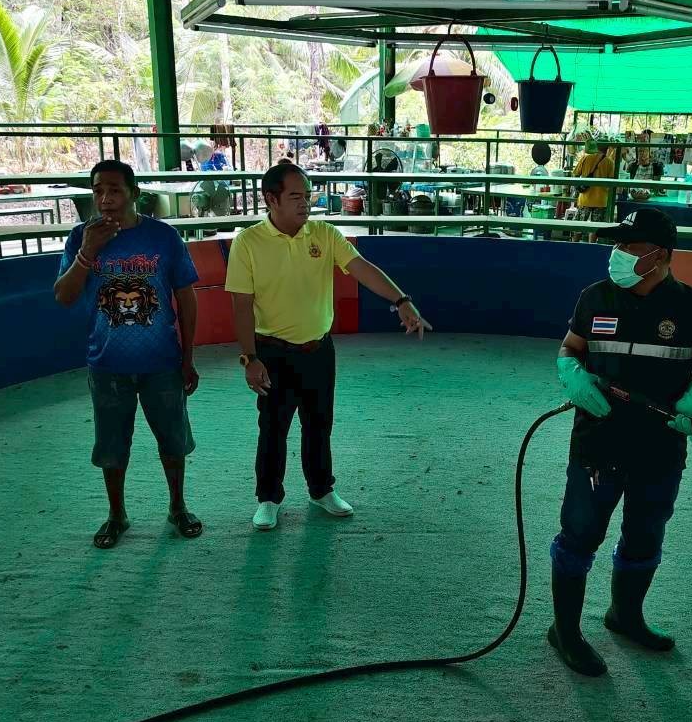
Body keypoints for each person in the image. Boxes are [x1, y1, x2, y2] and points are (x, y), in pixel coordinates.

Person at [548, 207, 692, 676]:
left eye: (629, 246)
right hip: (597, 444)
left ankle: (625, 615)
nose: (618, 253)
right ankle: (565, 630)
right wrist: (571, 373)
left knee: (645, 536)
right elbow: (571, 347)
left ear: (660, 255)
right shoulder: (594, 297)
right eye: (617, 244)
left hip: (660, 448)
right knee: (579, 536)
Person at [226, 161, 432, 531]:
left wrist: (402, 300)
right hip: (271, 351)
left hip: (318, 350)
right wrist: (250, 358)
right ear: (271, 199)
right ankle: (268, 498)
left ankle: (321, 490)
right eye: (295, 196)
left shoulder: (323, 233)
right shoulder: (248, 242)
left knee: (319, 424)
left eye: (307, 195)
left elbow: (362, 268)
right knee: (272, 428)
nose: (305, 203)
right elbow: (241, 305)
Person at [53, 160, 203, 550]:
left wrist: (188, 356)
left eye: (115, 190)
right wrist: (87, 252)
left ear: (134, 194)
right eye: (98, 190)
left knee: (172, 440)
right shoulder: (80, 237)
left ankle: (178, 506)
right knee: (111, 445)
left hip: (162, 362)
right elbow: (64, 296)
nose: (105, 199)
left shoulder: (164, 237)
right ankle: (116, 514)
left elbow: (187, 298)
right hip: (107, 364)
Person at [567, 133, 615, 241]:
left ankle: (574, 245)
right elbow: (611, 183)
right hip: (601, 200)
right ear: (607, 149)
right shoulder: (610, 162)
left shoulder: (585, 158)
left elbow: (575, 175)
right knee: (594, 228)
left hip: (585, 199)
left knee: (578, 226)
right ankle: (591, 246)